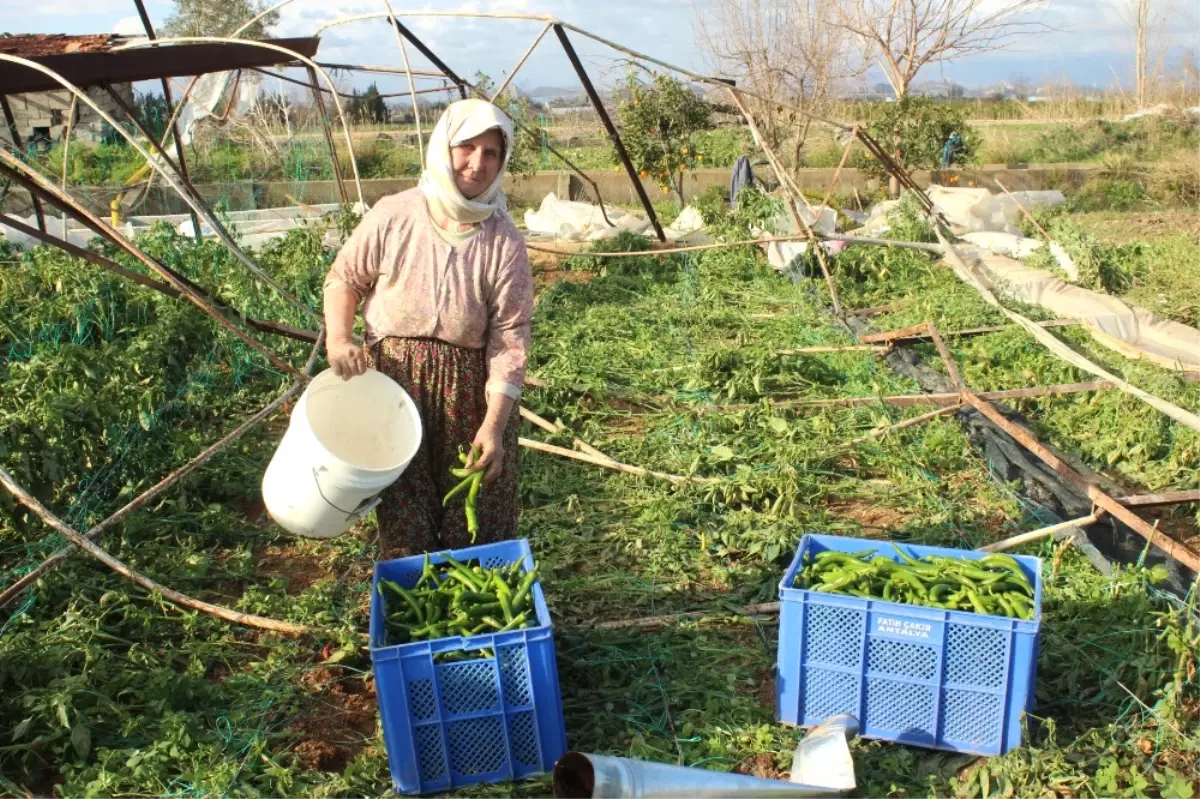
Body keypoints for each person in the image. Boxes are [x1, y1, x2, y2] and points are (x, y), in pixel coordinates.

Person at [321, 99, 533, 558]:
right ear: (444, 146)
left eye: (492, 152)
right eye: (467, 146)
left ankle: (475, 614)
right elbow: (344, 279)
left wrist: (493, 425)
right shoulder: (394, 215)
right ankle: (414, 601)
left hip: (468, 388)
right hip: (394, 384)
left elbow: (509, 341)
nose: (478, 164)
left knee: (476, 508)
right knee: (403, 506)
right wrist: (339, 339)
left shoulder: (505, 241)